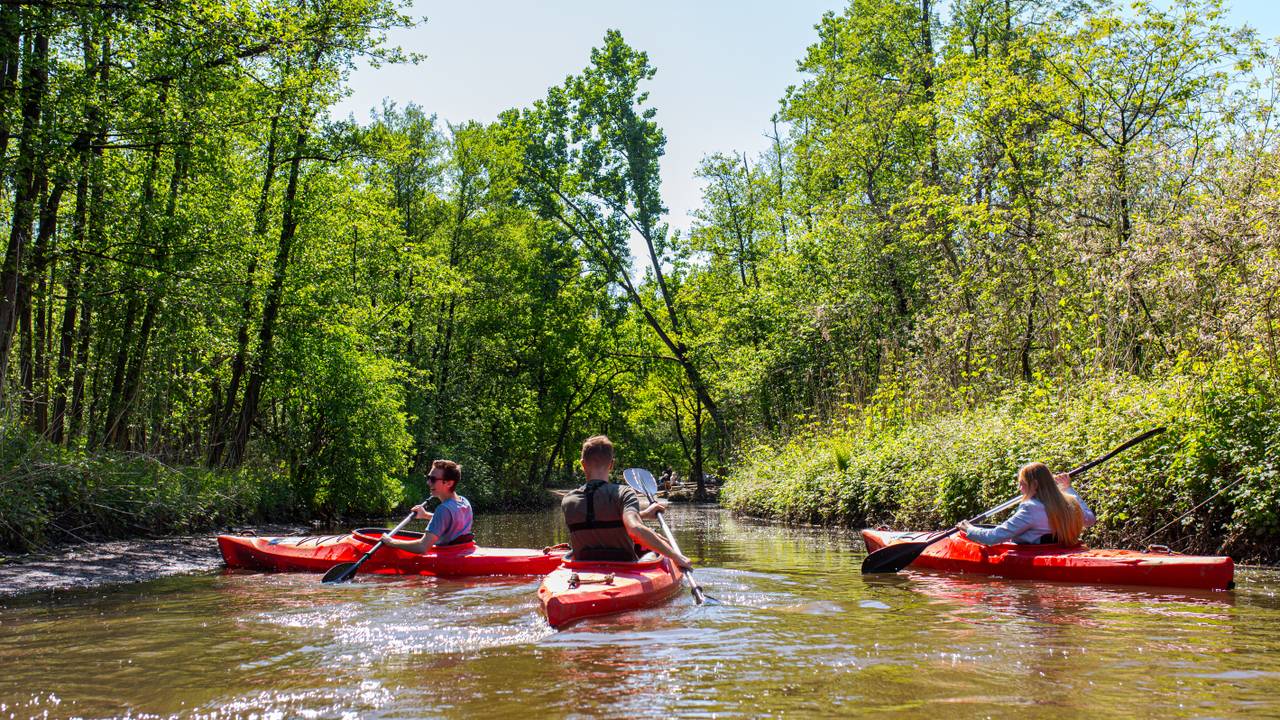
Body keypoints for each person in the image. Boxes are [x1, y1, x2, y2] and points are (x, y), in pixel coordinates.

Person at [560, 435, 693, 569]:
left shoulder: (568, 500)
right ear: (611, 464)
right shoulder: (624, 493)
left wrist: (643, 514)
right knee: (655, 550)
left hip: (582, 568)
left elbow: (597, 520)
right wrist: (676, 556)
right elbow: (634, 528)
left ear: (583, 464)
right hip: (624, 568)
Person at [957, 462, 1097, 546]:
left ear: (1034, 484)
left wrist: (969, 529)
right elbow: (1090, 520)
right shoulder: (1071, 501)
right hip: (1065, 552)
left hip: (1037, 555)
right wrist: (1068, 488)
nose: (1020, 489)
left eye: (1022, 484)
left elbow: (994, 537)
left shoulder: (1031, 508)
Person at [380, 459, 474, 553]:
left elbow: (422, 547)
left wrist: (391, 542)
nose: (428, 483)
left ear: (449, 483)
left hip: (448, 556)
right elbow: (450, 522)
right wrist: (425, 515)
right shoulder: (464, 502)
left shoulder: (443, 509)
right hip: (461, 551)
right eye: (428, 478)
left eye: (433, 479)